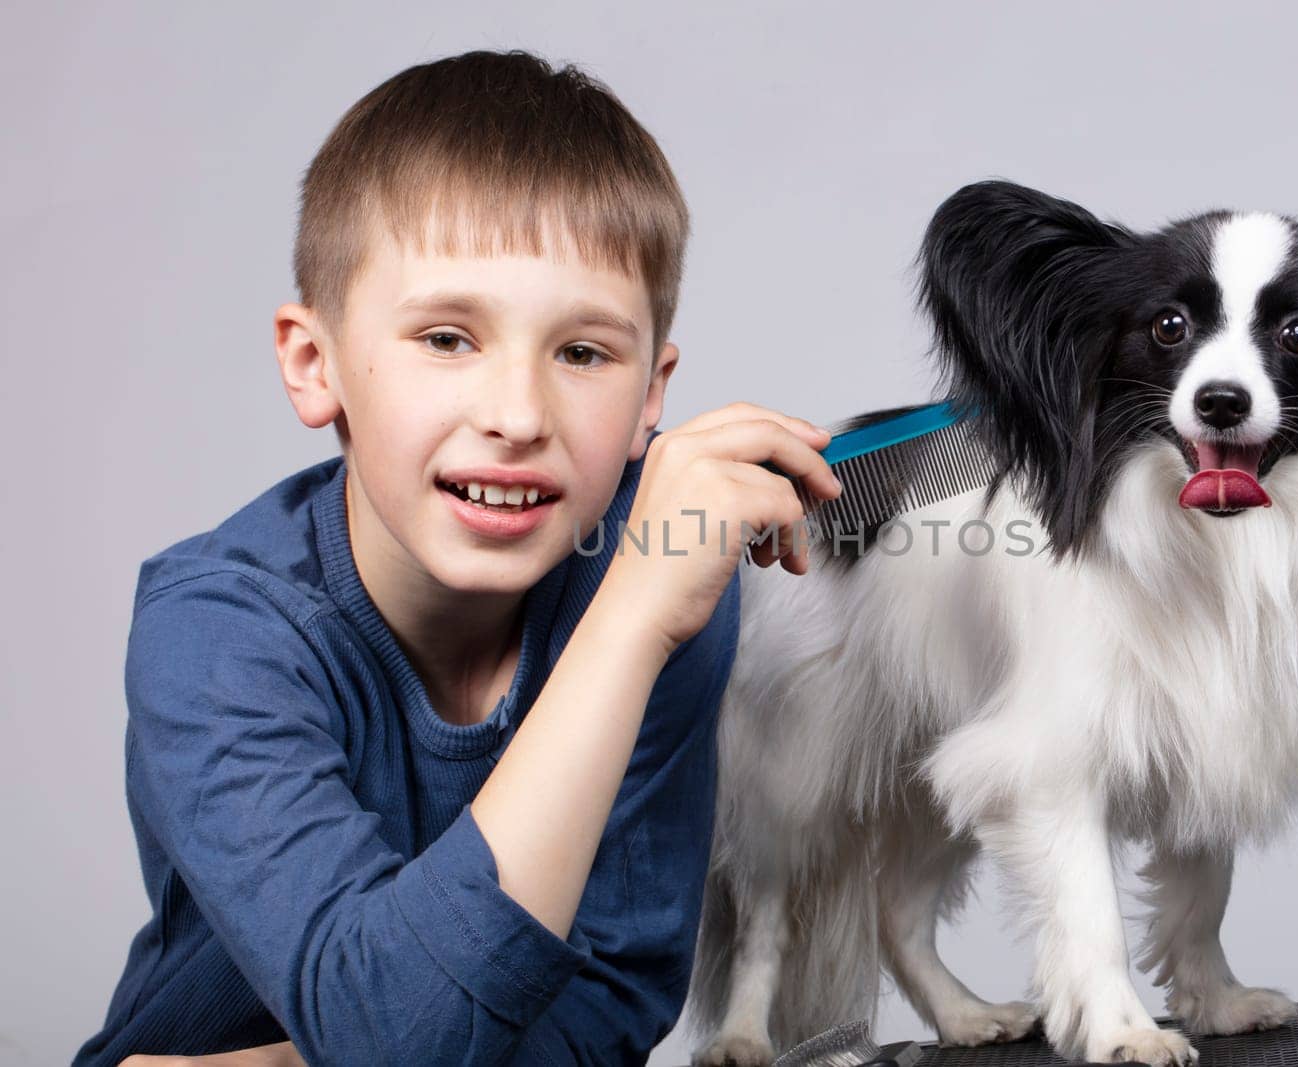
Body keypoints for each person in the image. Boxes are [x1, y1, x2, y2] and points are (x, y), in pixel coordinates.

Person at [74, 48, 840, 1066]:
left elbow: (613, 997)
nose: (517, 416)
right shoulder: (212, 632)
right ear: (317, 364)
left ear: (650, 396)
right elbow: (394, 1033)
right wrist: (630, 624)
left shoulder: (649, 576)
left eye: (581, 353)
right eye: (446, 337)